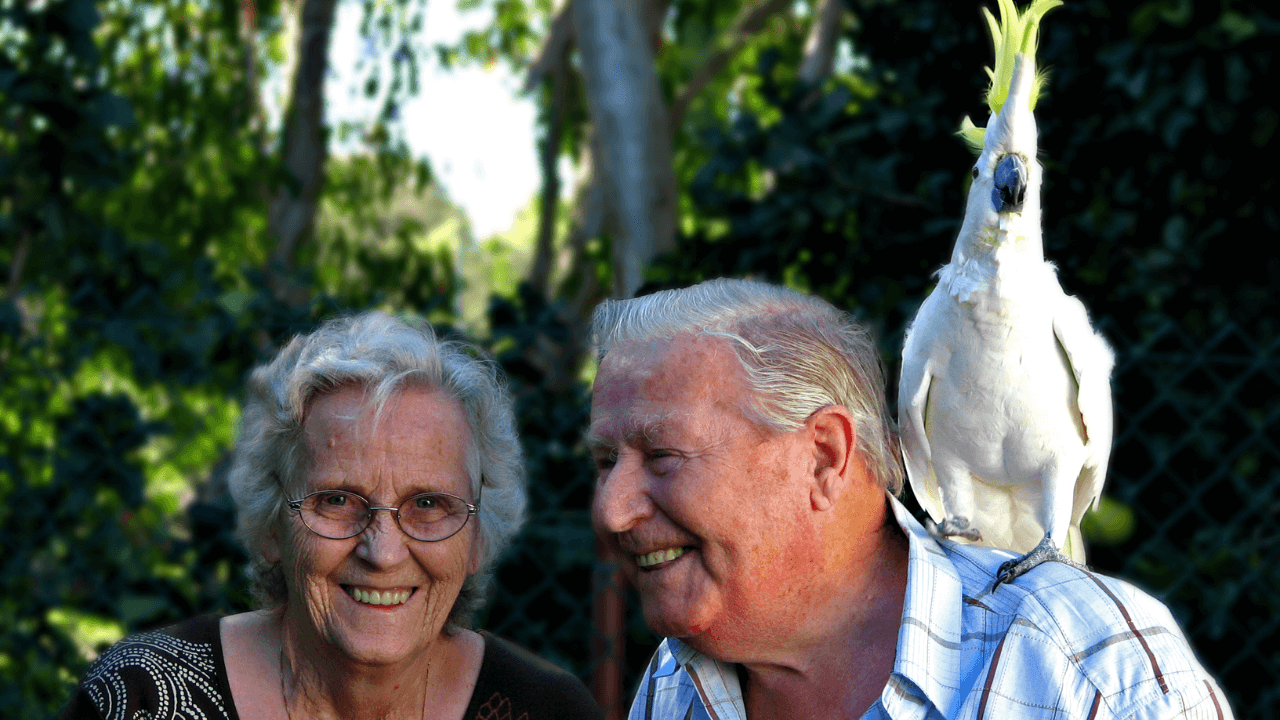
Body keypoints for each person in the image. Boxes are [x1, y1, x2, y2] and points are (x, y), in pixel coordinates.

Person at [587, 278, 1232, 720]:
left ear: (824, 457)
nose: (611, 511)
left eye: (663, 456)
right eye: (605, 462)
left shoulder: (1084, 667)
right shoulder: (680, 686)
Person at [61, 312, 603, 720]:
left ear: (478, 537)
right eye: (338, 501)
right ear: (273, 525)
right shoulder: (139, 699)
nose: (384, 552)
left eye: (429, 505)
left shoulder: (548, 711)